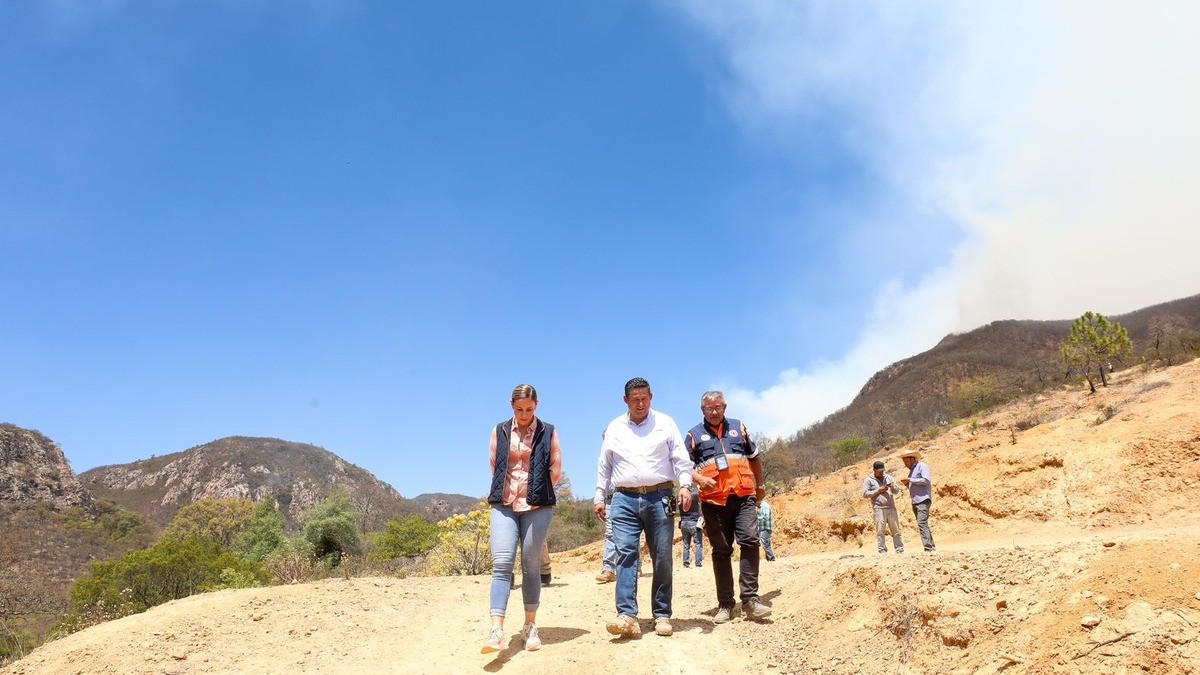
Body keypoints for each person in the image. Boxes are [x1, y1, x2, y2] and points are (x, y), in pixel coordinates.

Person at [594, 377, 695, 639]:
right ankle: (626, 615)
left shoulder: (665, 423)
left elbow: (681, 460)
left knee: (662, 556)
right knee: (626, 554)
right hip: (623, 499)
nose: (640, 403)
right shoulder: (615, 427)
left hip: (659, 496)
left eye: (644, 398)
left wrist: (685, 486)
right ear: (625, 400)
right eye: (634, 399)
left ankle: (662, 614)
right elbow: (604, 465)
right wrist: (598, 497)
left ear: (651, 396)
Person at [482, 384, 563, 654]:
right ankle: (496, 629)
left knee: (530, 564)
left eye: (529, 409)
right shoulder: (500, 430)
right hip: (504, 503)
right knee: (502, 563)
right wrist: (509, 493)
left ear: (537, 405)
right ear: (511, 406)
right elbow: (495, 464)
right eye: (520, 409)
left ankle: (529, 626)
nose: (525, 414)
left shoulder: (548, 431)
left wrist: (537, 495)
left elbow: (555, 468)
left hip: (537, 505)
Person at [684, 391, 772, 624]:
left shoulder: (738, 427)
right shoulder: (693, 435)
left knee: (751, 541)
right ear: (702, 410)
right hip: (713, 501)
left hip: (743, 495)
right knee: (722, 550)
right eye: (709, 408)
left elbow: (754, 457)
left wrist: (760, 484)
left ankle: (751, 599)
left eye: (718, 407)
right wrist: (699, 480)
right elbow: (683, 467)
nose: (714, 412)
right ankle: (725, 604)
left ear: (725, 406)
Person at [862, 460, 904, 554]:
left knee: (896, 529)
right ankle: (882, 550)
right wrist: (877, 491)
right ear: (874, 470)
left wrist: (892, 487)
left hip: (891, 507)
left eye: (882, 471)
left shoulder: (888, 477)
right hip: (879, 508)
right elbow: (865, 494)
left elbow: (896, 491)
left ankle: (900, 549)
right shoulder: (869, 480)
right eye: (879, 471)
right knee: (880, 530)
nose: (881, 473)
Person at [898, 448, 936, 553]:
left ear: (912, 459)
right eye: (904, 462)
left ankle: (928, 548)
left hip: (923, 499)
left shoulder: (922, 466)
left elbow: (925, 480)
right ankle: (931, 547)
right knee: (923, 523)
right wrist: (907, 484)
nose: (905, 464)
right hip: (915, 500)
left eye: (906, 461)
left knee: (922, 522)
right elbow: (914, 485)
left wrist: (910, 480)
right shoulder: (912, 471)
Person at [595, 485, 617, 583]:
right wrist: (599, 501)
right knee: (610, 533)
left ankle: (636, 566)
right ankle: (608, 570)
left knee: (631, 533)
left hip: (630, 495)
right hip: (610, 499)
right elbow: (602, 478)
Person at [679, 486, 703, 568]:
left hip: (683, 522)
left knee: (686, 545)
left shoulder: (680, 499)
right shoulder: (694, 496)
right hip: (694, 522)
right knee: (698, 543)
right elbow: (702, 496)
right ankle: (698, 563)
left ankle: (686, 563)